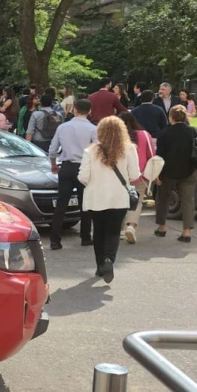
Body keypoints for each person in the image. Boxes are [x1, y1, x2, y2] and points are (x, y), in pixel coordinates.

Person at [78, 116, 139, 283]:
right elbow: (134, 175)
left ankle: (99, 266)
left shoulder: (90, 151)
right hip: (118, 197)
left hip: (96, 197)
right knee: (113, 231)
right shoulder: (129, 150)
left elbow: (83, 177)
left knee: (98, 231)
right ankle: (109, 260)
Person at [48, 98, 97, 250]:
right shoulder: (93, 129)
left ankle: (55, 239)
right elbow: (97, 150)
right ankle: (85, 237)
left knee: (61, 203)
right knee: (86, 203)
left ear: (74, 110)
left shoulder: (63, 127)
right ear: (90, 111)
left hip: (66, 167)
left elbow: (53, 149)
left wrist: (54, 164)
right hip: (84, 167)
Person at [155, 105, 197, 243]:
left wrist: (157, 175)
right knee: (187, 200)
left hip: (168, 171)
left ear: (171, 117)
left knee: (163, 198)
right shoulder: (193, 131)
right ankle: (186, 232)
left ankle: (162, 227)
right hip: (189, 170)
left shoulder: (164, 133)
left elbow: (159, 156)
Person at [120, 111, 153, 244]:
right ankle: (131, 226)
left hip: (120, 176)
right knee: (137, 201)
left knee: (120, 202)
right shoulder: (144, 135)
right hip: (140, 174)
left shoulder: (117, 137)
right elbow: (151, 154)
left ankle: (120, 228)